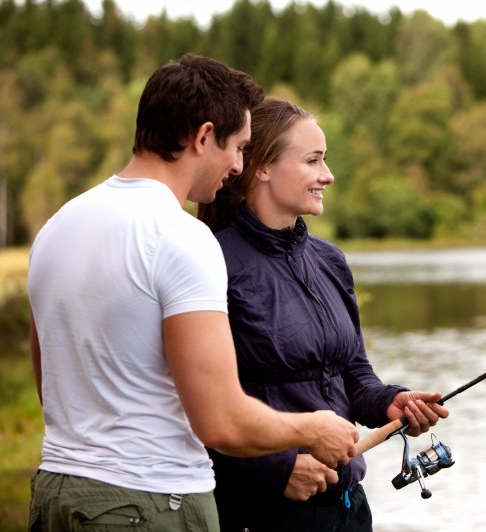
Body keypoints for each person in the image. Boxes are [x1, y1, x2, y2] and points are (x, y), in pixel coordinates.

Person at [26, 55, 359, 532]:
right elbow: (221, 422)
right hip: (151, 503)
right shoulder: (181, 237)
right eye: (238, 148)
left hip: (56, 493)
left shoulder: (58, 226)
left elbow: (49, 384)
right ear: (203, 137)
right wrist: (314, 428)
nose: (240, 166)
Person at [197, 96, 450, 532]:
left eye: (325, 161)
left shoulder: (329, 261)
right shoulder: (212, 261)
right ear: (261, 167)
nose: (327, 176)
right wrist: (275, 468)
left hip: (348, 508)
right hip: (260, 513)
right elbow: (194, 403)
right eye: (313, 161)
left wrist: (393, 401)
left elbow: (354, 376)